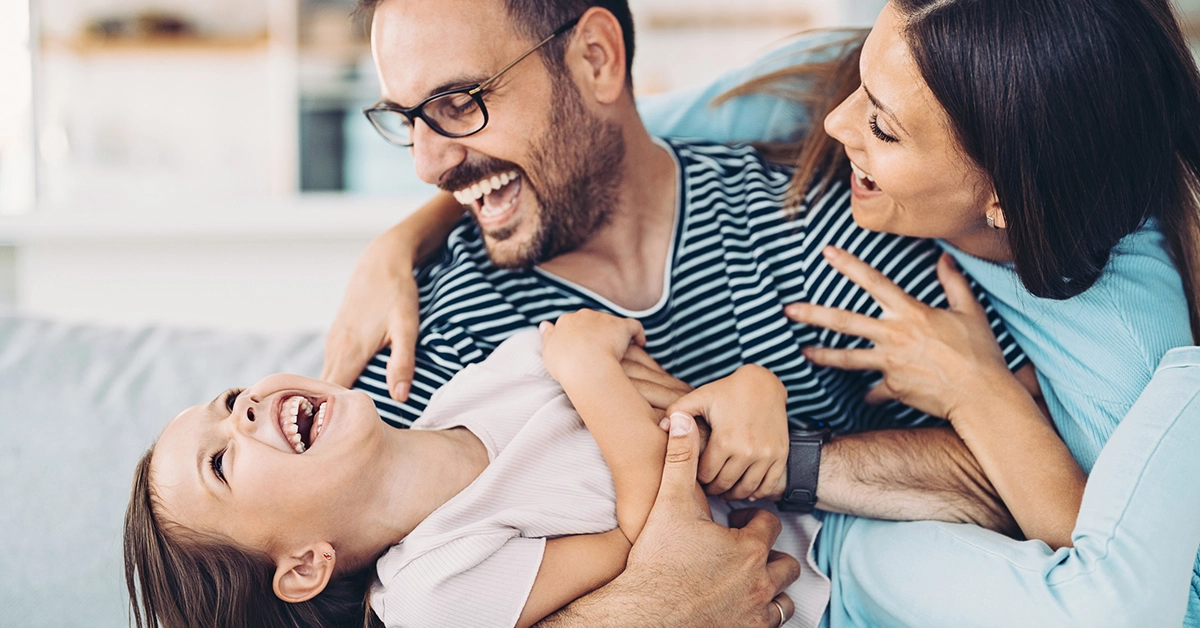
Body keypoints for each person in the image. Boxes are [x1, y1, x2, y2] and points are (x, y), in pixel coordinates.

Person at [325, 0, 1200, 625]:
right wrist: (644, 612)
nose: (428, 161)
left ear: (596, 58)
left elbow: (1030, 504)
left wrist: (787, 458)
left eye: (458, 103)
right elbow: (343, 590)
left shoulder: (833, 207)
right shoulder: (429, 330)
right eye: (408, 118)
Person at [123, 311, 823, 627]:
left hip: (823, 524)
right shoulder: (430, 592)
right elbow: (663, 551)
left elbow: (688, 421)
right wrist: (584, 367)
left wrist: (752, 389)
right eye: (221, 462)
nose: (242, 411)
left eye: (228, 400)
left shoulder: (492, 375)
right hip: (822, 602)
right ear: (305, 566)